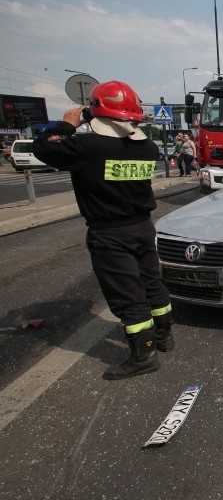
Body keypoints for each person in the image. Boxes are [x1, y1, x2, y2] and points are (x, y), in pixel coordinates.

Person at [32, 80, 174, 380]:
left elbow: (44, 147)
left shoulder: (88, 147)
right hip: (143, 227)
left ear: (96, 112)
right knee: (152, 283)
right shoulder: (147, 147)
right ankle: (163, 337)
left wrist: (69, 124)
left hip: (110, 233)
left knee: (128, 295)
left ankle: (143, 356)